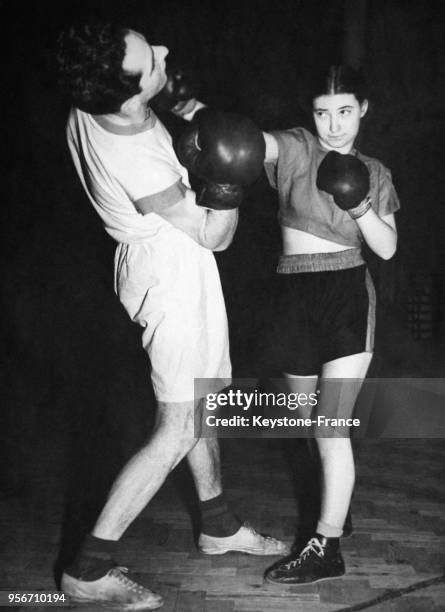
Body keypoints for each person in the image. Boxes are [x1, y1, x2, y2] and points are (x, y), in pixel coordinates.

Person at [57, 22, 287, 610]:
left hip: (159, 260)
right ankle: (87, 569)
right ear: (128, 90)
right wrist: (232, 179)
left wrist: (179, 104)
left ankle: (217, 524)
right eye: (151, 60)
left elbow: (145, 109)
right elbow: (214, 236)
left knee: (204, 399)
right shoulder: (135, 161)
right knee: (180, 423)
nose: (163, 50)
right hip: (172, 272)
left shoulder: (95, 102)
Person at [261, 65, 400, 585]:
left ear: (363, 109)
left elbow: (385, 247)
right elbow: (250, 144)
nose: (334, 125)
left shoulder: (377, 171)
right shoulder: (297, 147)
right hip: (291, 293)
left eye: (345, 112)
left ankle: (327, 546)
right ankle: (335, 507)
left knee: (330, 424)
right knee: (299, 422)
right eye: (323, 112)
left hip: (345, 292)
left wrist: (359, 201)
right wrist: (194, 113)